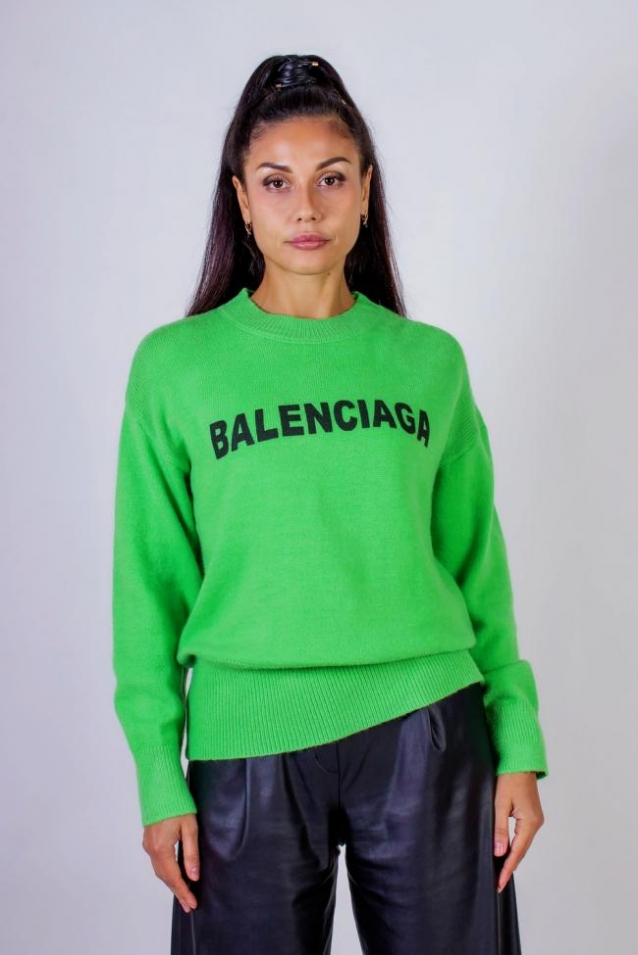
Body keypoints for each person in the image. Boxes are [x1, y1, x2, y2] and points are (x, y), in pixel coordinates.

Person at [112, 53, 548, 954]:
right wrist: (159, 774)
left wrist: (519, 741)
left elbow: (478, 566)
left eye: (331, 178)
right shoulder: (175, 367)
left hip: (428, 725)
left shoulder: (429, 362)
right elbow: (146, 587)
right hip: (247, 739)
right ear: (241, 198)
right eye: (277, 182)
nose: (305, 207)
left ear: (365, 192)